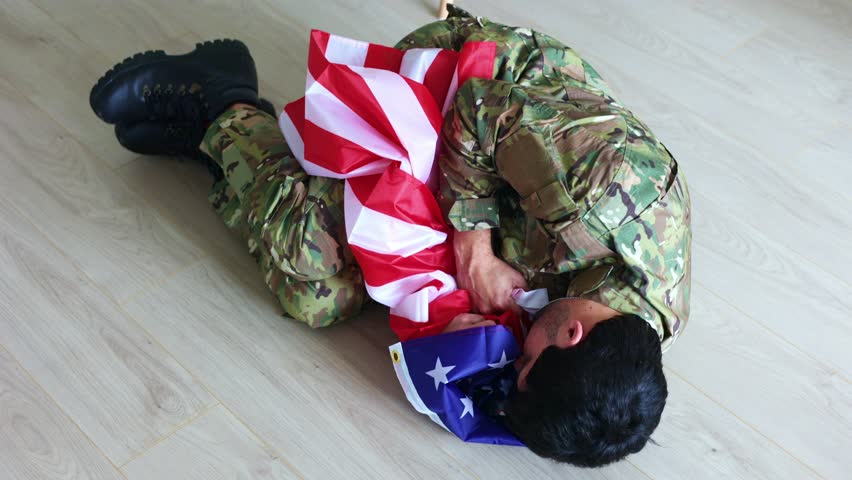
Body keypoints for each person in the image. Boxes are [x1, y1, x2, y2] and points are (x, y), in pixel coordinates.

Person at [90, 6, 690, 467]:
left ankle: (222, 149)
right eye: (527, 358)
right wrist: (474, 249)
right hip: (452, 95)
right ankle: (223, 98)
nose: (519, 354)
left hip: (500, 203)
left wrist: (464, 329)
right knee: (305, 244)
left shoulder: (625, 336)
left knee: (315, 299)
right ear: (573, 332)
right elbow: (478, 110)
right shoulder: (607, 188)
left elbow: (523, 311)